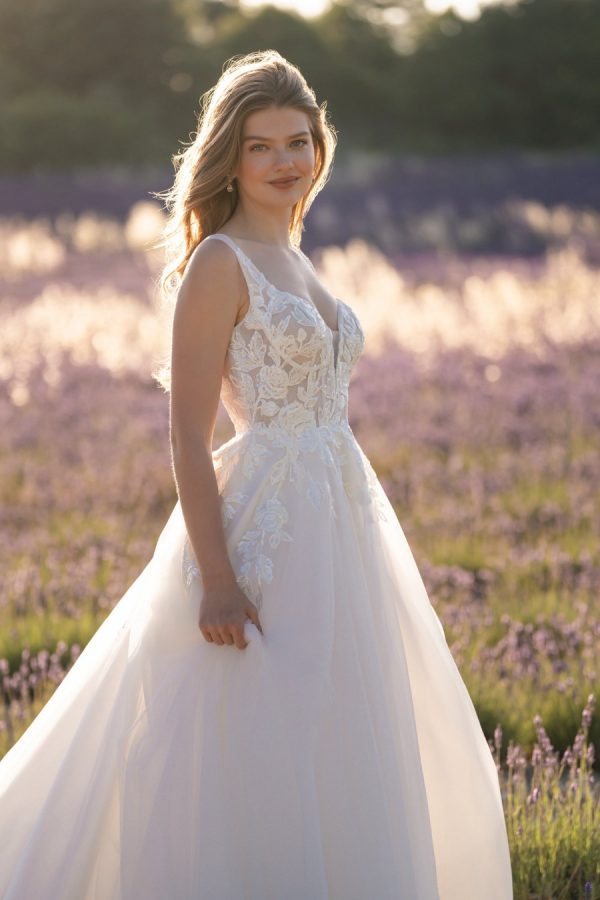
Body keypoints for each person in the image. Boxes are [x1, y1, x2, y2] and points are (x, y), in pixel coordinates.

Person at [0, 50, 513, 899]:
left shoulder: (301, 258)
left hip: (344, 522)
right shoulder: (219, 263)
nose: (284, 162)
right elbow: (187, 435)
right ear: (230, 159)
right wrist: (217, 577)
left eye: (298, 142)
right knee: (259, 735)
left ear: (320, 148)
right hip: (263, 531)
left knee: (345, 733)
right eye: (261, 147)